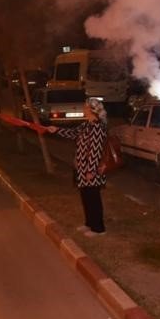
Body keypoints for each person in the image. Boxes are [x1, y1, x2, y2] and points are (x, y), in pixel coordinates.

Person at [45, 98, 109, 237]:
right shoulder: (86, 125)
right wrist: (56, 130)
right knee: (85, 197)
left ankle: (99, 228)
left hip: (91, 169)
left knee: (93, 198)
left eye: (86, 107)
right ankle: (89, 223)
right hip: (82, 168)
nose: (84, 109)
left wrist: (91, 170)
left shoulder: (98, 127)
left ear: (92, 110)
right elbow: (72, 133)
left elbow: (95, 150)